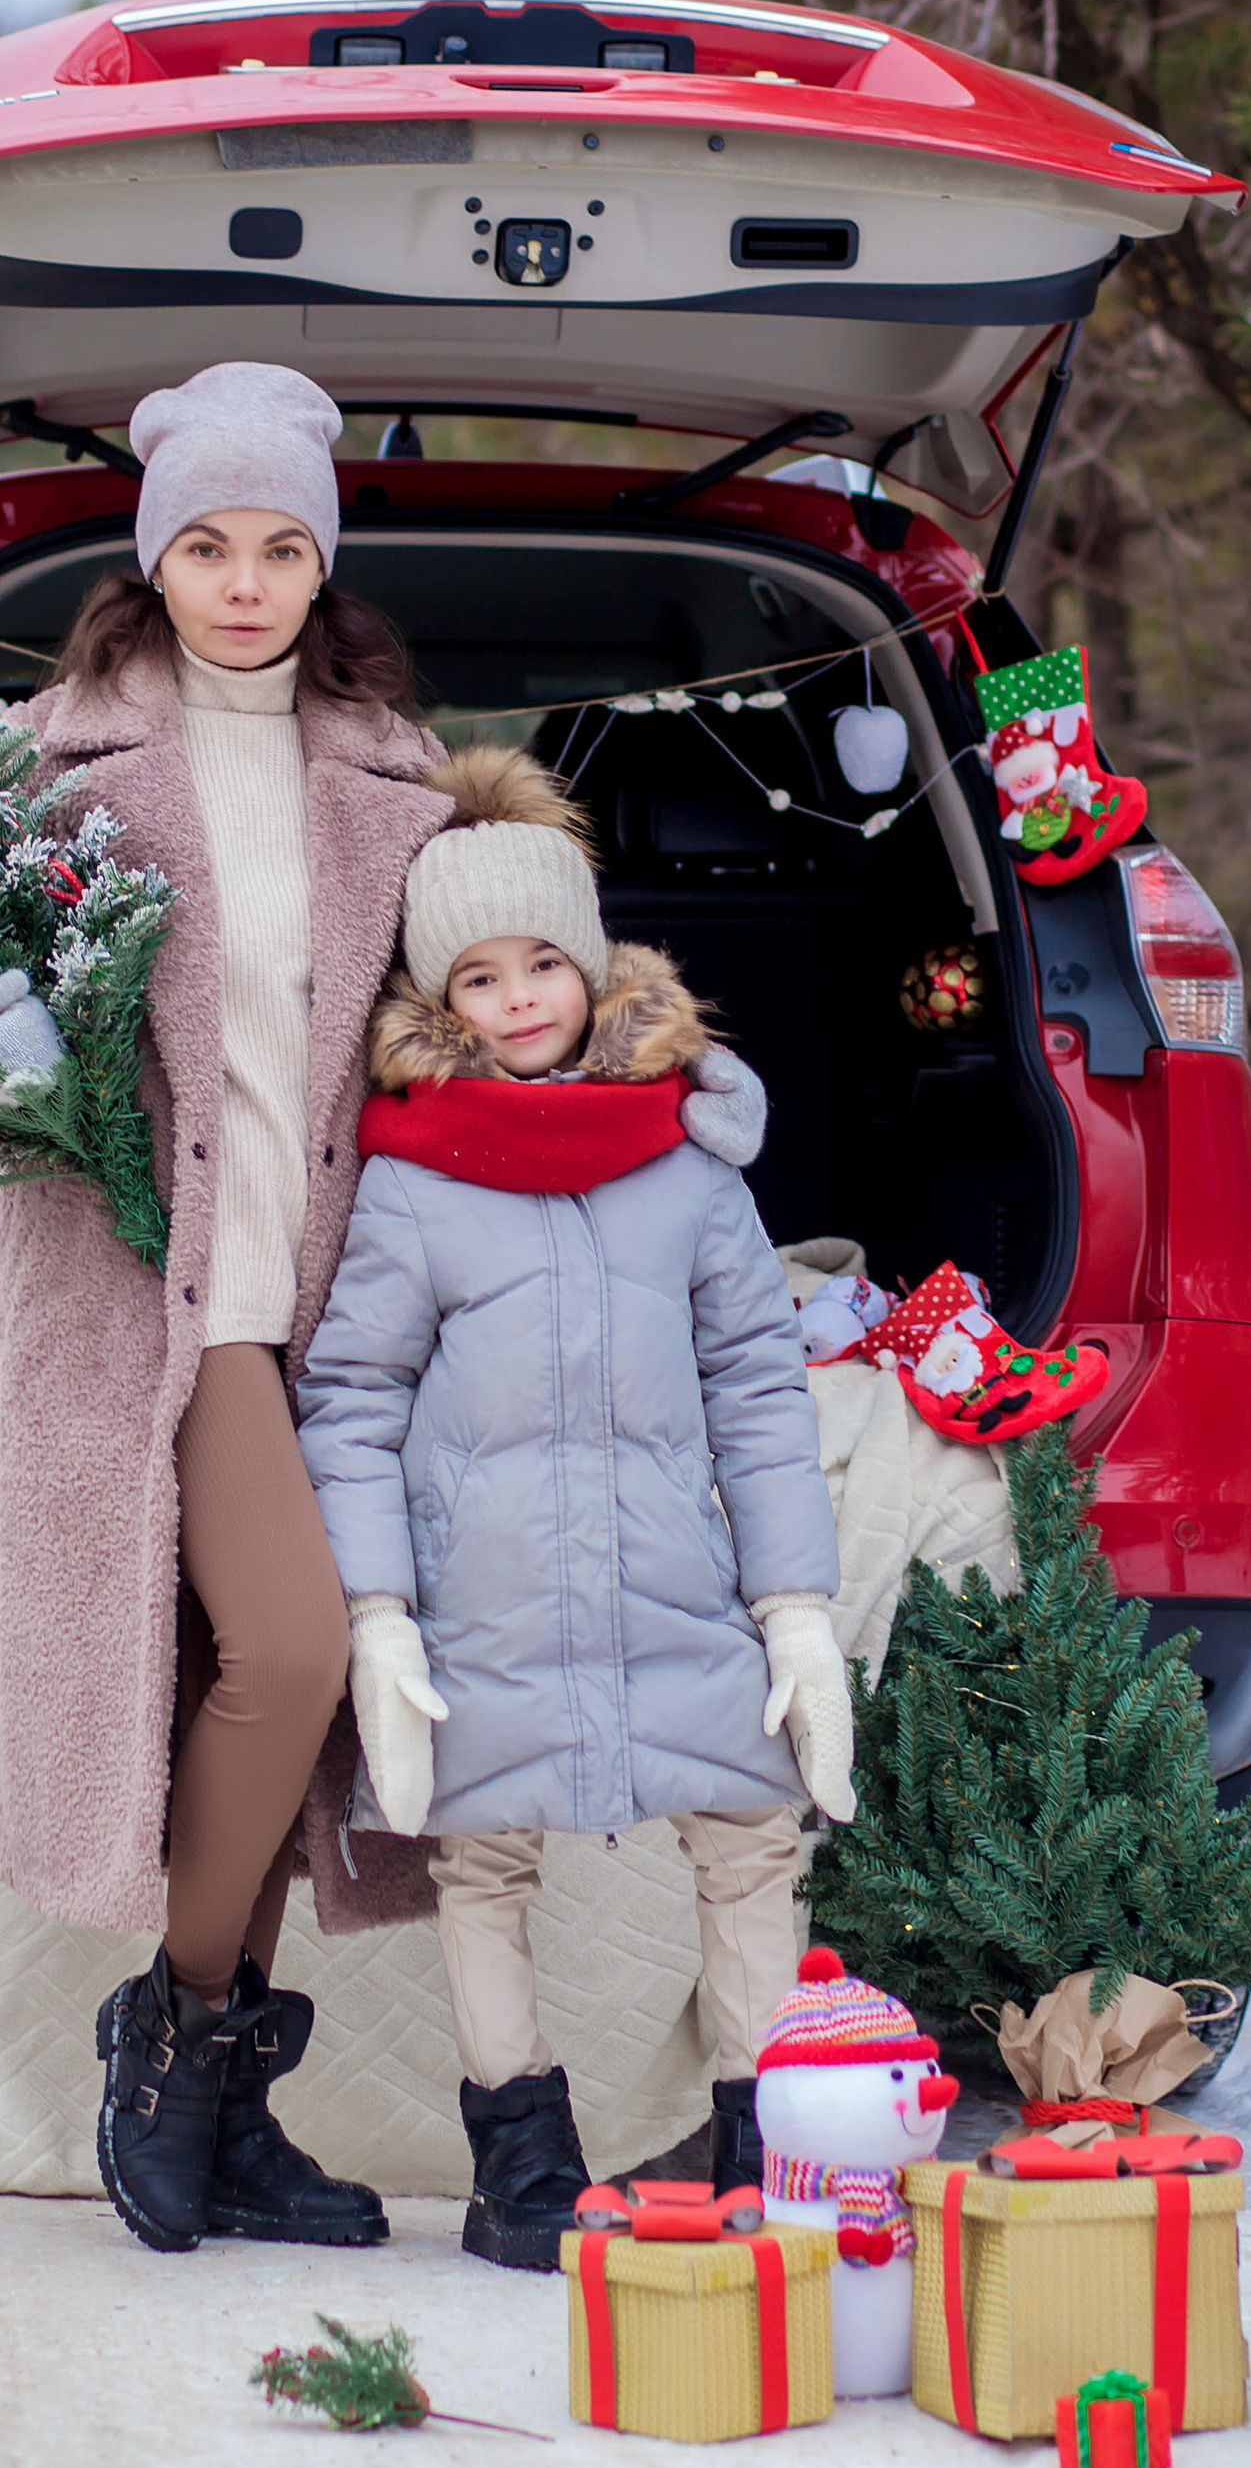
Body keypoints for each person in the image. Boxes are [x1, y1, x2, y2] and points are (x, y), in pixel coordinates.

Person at [0, 360, 451, 2255]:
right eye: (209, 546)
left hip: (336, 1298)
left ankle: (221, 2108)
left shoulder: (398, 780)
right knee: (292, 1652)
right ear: (152, 558)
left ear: (323, 563)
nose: (247, 584)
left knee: (253, 1691)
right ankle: (172, 2038)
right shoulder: (45, 766)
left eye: (283, 547)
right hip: (154, 1295)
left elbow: (468, 1016)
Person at [296, 747, 856, 2269]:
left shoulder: (687, 1159)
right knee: (482, 1862)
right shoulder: (412, 1182)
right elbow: (350, 1400)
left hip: (678, 1585)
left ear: (596, 964)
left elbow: (757, 1385)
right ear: (440, 1005)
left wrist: (794, 1609)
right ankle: (521, 2163)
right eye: (479, 978)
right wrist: (379, 1614)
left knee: (751, 1837)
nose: (521, 997)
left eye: (544, 960)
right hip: (487, 1600)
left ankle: (768, 2140)